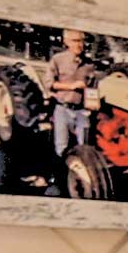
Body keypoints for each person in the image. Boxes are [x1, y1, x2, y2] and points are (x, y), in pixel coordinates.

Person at [45, 27, 95, 163]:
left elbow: (93, 87)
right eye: (75, 41)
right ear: (66, 42)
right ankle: (61, 177)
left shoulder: (89, 64)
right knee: (61, 147)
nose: (79, 45)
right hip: (63, 109)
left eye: (82, 41)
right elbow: (49, 83)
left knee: (84, 148)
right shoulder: (57, 59)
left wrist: (92, 104)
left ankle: (79, 178)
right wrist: (71, 86)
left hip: (82, 111)